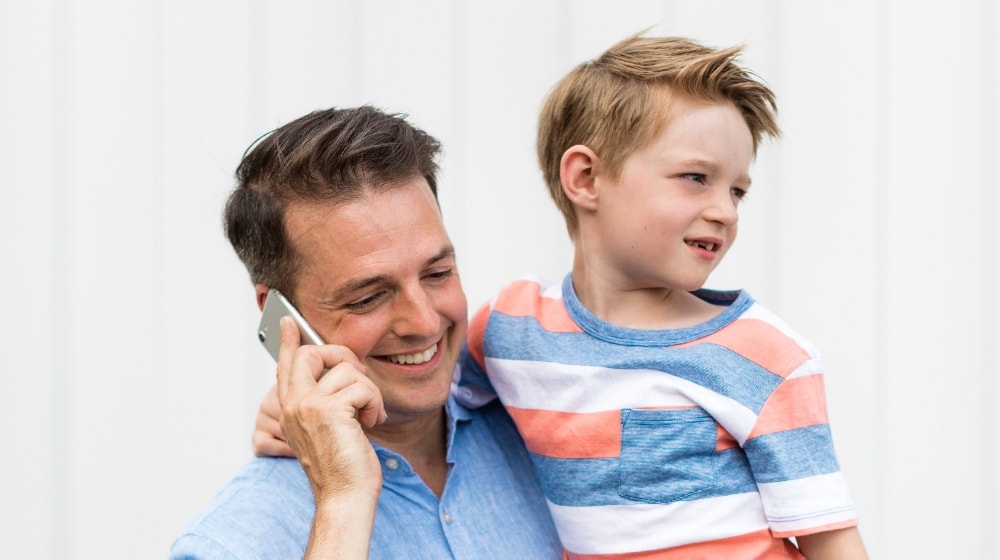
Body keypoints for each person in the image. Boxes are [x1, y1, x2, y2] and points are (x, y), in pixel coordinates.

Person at [452, 35, 869, 558]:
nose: (727, 211)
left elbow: (831, 541)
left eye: (737, 190)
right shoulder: (509, 327)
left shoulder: (765, 357)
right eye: (696, 178)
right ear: (585, 178)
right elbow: (427, 415)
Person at [169, 106, 562, 559]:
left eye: (437, 273)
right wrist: (341, 504)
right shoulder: (227, 545)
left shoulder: (546, 413)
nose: (425, 323)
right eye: (367, 298)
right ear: (283, 316)